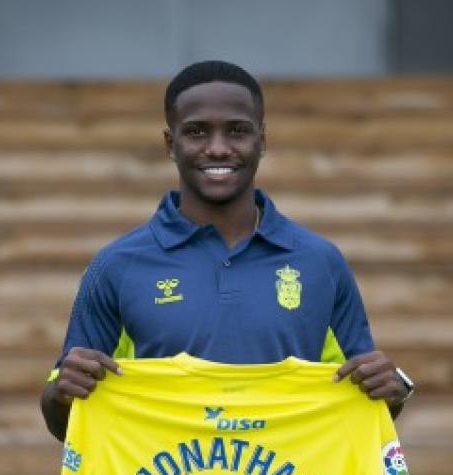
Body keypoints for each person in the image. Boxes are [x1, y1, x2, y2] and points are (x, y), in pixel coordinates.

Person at [41, 58, 413, 439]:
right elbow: (65, 418)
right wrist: (60, 394)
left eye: (237, 131)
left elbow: (361, 399)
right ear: (171, 143)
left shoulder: (320, 263)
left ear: (262, 140)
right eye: (197, 132)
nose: (218, 148)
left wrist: (392, 391)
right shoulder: (117, 266)